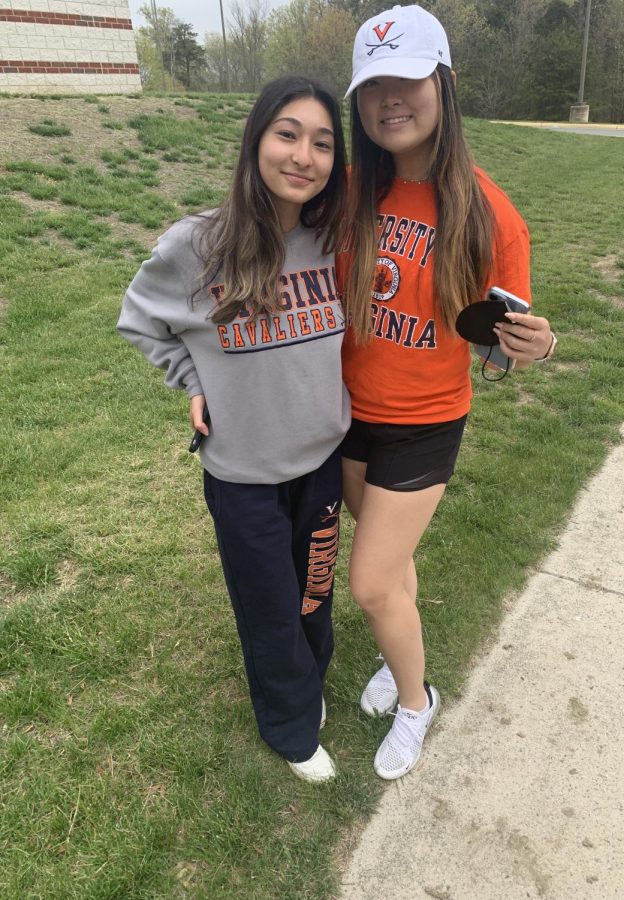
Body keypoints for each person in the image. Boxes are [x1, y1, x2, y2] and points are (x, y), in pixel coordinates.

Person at [339, 5, 556, 780]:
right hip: (346, 413)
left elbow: (498, 351)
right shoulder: (353, 190)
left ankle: (414, 702)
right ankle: (402, 662)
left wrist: (533, 347)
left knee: (367, 580)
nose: (390, 99)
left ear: (442, 83)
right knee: (390, 567)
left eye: (407, 79)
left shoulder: (492, 214)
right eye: (373, 86)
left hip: (423, 423)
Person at [117, 76, 350, 783]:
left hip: (322, 463)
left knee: (312, 590)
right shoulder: (197, 244)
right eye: (286, 133)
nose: (303, 155)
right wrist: (193, 382)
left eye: (321, 142)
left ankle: (307, 685)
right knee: (269, 606)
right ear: (255, 143)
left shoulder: (334, 240)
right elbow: (141, 319)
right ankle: (288, 728)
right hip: (244, 472)